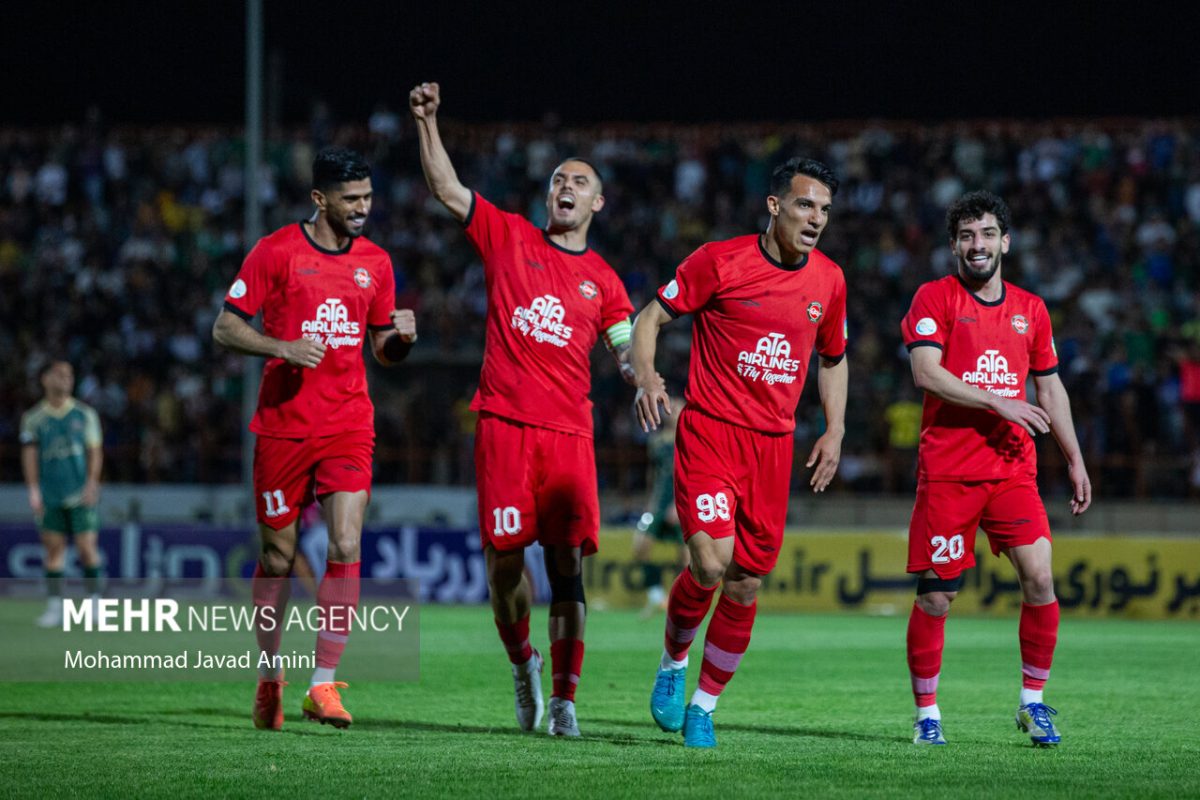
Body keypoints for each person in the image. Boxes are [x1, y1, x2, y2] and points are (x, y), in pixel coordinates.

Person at [410, 81, 636, 737]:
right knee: (505, 561)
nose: (566, 186)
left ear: (598, 201)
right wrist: (428, 123)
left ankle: (566, 698)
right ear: (548, 195)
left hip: (568, 436)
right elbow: (449, 190)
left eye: (580, 181)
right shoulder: (508, 237)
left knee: (567, 563)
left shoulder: (608, 282)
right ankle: (522, 663)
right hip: (505, 427)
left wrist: (640, 375)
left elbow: (624, 346)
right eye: (558, 179)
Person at [632, 157, 848, 748]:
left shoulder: (829, 280)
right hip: (710, 433)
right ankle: (674, 664)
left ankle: (705, 704)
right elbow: (649, 318)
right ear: (775, 205)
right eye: (806, 205)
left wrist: (835, 428)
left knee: (747, 583)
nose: (817, 219)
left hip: (773, 447)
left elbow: (833, 358)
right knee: (709, 563)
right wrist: (647, 378)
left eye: (825, 210)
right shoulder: (719, 261)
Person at [212, 146, 417, 731]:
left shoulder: (376, 262)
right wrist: (281, 347)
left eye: (369, 197)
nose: (363, 208)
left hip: (349, 424)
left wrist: (402, 337)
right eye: (352, 199)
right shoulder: (275, 252)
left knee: (346, 545)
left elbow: (383, 350)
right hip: (283, 427)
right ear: (320, 199)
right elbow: (224, 326)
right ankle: (270, 674)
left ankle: (323, 684)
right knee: (277, 556)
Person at [900, 190, 1091, 747]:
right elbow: (926, 374)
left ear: (1005, 241)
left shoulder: (1031, 309)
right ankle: (928, 715)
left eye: (986, 234)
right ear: (954, 245)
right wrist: (998, 401)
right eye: (965, 236)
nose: (976, 245)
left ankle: (1033, 704)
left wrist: (1074, 458)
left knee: (1040, 577)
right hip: (950, 469)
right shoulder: (935, 297)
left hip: (1012, 470)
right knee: (938, 597)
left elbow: (1050, 389)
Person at [20, 361, 104, 627]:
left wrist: (92, 483)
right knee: (54, 550)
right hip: (50, 495)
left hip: (80, 494)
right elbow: (30, 456)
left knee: (86, 549)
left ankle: (94, 604)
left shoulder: (84, 414)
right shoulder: (34, 418)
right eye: (59, 374)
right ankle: (55, 607)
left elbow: (94, 450)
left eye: (69, 375)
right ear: (45, 379)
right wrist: (33, 490)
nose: (66, 379)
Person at [632, 402, 689, 618]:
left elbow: (690, 474)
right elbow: (653, 474)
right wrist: (650, 501)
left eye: (675, 408)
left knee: (686, 559)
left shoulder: (689, 439)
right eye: (669, 409)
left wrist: (678, 504)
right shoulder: (656, 442)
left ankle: (680, 604)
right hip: (658, 503)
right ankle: (656, 597)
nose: (671, 412)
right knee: (640, 548)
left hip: (681, 504)